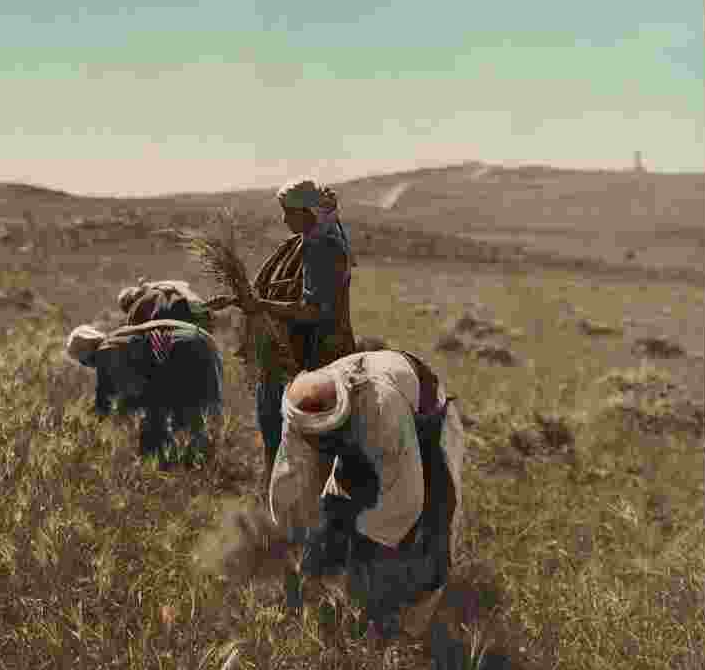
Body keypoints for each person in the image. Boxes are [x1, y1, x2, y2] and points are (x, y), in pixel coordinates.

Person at [264, 348, 465, 638]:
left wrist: (359, 543)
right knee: (334, 514)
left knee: (432, 529)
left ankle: (409, 630)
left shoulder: (381, 408)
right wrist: (297, 543)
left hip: (426, 430)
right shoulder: (297, 415)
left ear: (342, 418)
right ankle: (339, 608)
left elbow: (405, 501)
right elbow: (289, 481)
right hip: (367, 435)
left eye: (327, 439)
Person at [241, 179, 355, 497]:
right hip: (332, 348)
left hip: (311, 354)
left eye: (289, 212)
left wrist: (260, 304)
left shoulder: (321, 246)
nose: (284, 219)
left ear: (307, 212)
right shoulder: (325, 234)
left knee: (276, 429)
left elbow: (312, 310)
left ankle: (277, 504)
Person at [65, 319, 224, 462]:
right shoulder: (120, 337)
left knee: (172, 416)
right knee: (204, 412)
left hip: (186, 349)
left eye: (83, 362)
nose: (88, 366)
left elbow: (135, 394)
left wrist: (86, 430)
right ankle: (210, 462)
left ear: (87, 353)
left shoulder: (107, 351)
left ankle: (186, 464)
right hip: (204, 342)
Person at [117, 279, 214, 331]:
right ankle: (201, 308)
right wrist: (153, 285)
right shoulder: (151, 296)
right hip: (178, 319)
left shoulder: (132, 321)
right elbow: (181, 284)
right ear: (134, 295)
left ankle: (201, 308)